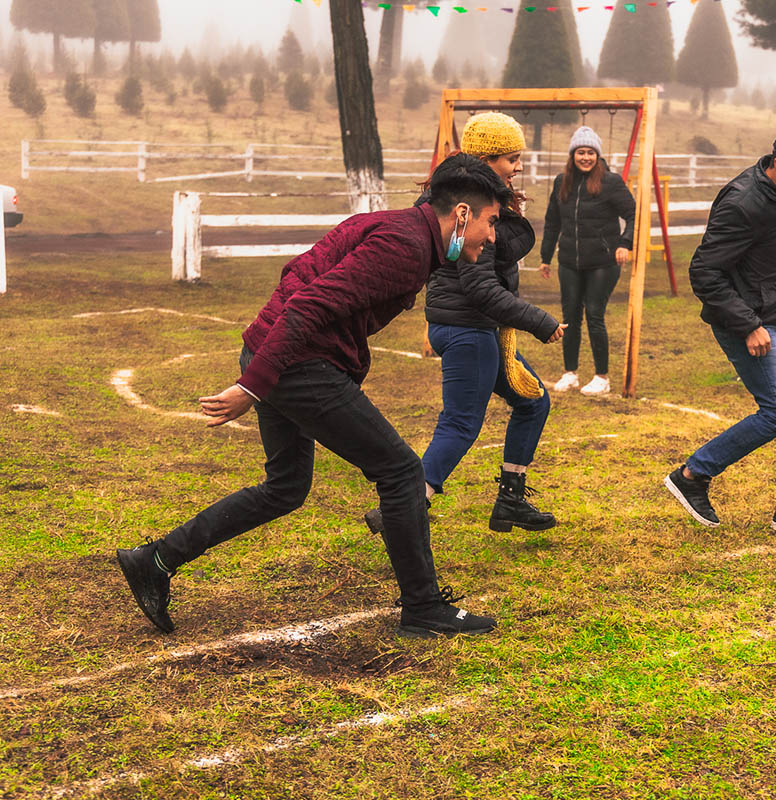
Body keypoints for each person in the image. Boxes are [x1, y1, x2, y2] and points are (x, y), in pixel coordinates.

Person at [116, 154, 509, 639]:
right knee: (404, 472)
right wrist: (253, 385)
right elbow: (307, 304)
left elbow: (298, 272)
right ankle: (423, 607)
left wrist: (268, 360)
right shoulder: (405, 246)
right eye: (491, 223)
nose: (492, 237)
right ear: (462, 214)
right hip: (297, 366)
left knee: (286, 487)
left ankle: (154, 559)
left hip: (280, 354)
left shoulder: (401, 230)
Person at [364, 112, 566, 536]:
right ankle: (401, 509)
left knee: (533, 402)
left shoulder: (471, 202)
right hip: (469, 330)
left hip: (469, 328)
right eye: (511, 159)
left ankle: (510, 500)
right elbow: (479, 288)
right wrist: (539, 321)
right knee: (460, 423)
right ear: (487, 158)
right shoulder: (471, 214)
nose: (517, 168)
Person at [664, 126, 776, 534]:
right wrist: (749, 325)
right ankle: (692, 476)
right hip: (746, 323)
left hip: (774, 318)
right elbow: (704, 272)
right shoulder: (744, 203)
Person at [539, 126, 636, 397]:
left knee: (594, 314)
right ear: (572, 155)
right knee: (570, 317)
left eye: (590, 152)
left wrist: (624, 244)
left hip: (603, 262)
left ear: (597, 155)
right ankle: (570, 373)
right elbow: (552, 222)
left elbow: (632, 213)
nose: (585, 157)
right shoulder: (562, 182)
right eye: (580, 152)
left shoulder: (612, 182)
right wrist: (546, 257)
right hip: (569, 260)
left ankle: (601, 377)